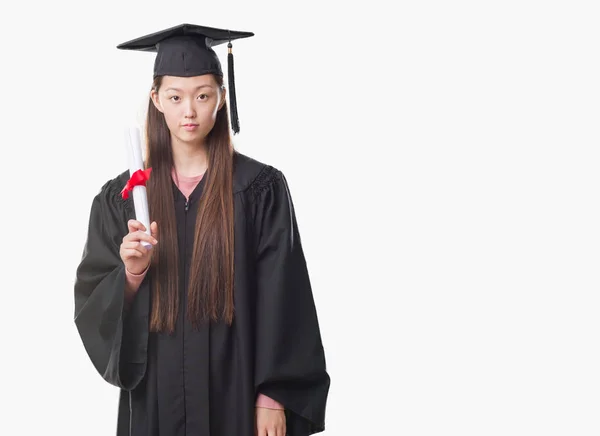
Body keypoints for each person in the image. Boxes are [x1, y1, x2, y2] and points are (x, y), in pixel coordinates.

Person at [73, 23, 330, 436]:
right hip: (156, 394)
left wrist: (272, 397)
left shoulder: (259, 189)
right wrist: (133, 275)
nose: (188, 111)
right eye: (175, 97)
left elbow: (284, 294)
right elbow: (93, 301)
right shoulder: (122, 198)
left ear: (221, 99)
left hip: (238, 391)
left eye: (202, 95)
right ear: (156, 100)